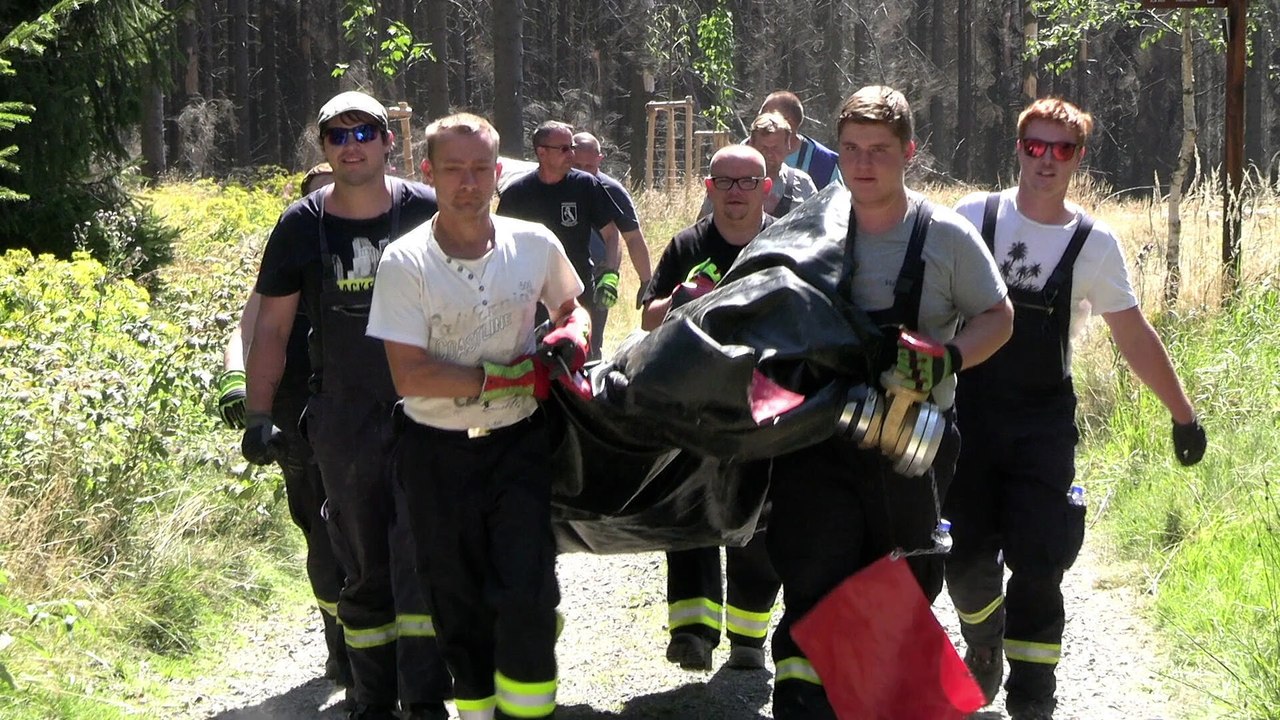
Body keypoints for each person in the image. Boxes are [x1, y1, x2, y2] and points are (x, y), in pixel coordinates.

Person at [944, 97, 1208, 720]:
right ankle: (983, 642)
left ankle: (1034, 697)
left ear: (1077, 158)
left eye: (1061, 149)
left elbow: (1135, 334)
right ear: (1018, 149)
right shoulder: (968, 219)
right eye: (1035, 145)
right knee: (964, 554)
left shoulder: (1093, 244)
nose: (1046, 159)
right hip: (969, 416)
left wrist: (1183, 413)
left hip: (1042, 423)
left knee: (1040, 562)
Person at [764, 85, 1013, 720]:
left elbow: (998, 316)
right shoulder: (811, 228)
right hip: (819, 438)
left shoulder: (946, 236)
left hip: (914, 444)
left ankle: (877, 701)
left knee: (901, 580)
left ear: (909, 151)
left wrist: (948, 358)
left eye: (879, 149)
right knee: (815, 571)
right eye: (850, 148)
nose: (863, 163)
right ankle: (802, 700)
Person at [368, 112, 587, 720]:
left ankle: (528, 713)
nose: (469, 183)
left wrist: (573, 336)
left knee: (528, 593)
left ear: (499, 171)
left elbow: (572, 305)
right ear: (427, 172)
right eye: (454, 170)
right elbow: (409, 374)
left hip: (518, 443)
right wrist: (506, 376)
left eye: (481, 169)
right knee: (456, 598)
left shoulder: (534, 243)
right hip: (435, 450)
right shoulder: (404, 263)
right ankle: (477, 710)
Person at [241, 90, 451, 720]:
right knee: (360, 561)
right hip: (343, 415)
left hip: (429, 407)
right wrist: (258, 413)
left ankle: (424, 696)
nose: (352, 146)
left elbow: (476, 296)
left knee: (423, 553)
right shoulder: (301, 226)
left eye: (365, 134)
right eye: (338, 135)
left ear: (390, 142)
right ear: (324, 148)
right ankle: (371, 695)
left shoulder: (429, 209)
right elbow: (272, 329)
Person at [640, 144, 782, 672]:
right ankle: (692, 632)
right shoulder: (687, 245)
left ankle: (749, 636)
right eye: (725, 183)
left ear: (767, 188)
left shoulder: (788, 240)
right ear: (708, 188)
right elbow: (648, 320)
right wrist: (683, 297)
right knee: (690, 508)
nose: (736, 194)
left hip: (763, 401)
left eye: (748, 183)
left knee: (758, 511)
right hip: (694, 402)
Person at [214, 162, 353, 690]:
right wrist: (236, 382)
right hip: (296, 408)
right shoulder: (293, 245)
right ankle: (338, 640)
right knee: (317, 524)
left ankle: (375, 646)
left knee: (359, 521)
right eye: (318, 195)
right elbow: (247, 323)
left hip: (355, 404)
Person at [495, 121, 629, 360]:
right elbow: (499, 248)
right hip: (531, 299)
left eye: (572, 147)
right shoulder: (517, 195)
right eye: (564, 149)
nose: (572, 154)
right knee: (535, 364)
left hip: (579, 293)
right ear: (542, 152)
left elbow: (611, 234)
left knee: (583, 362)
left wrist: (610, 274)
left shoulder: (586, 185)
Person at [570, 131, 653, 353]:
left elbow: (633, 237)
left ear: (600, 159)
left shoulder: (612, 190)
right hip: (558, 277)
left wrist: (647, 283)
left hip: (597, 279)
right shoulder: (554, 186)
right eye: (576, 164)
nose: (582, 171)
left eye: (588, 166)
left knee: (590, 344)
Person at [699, 112, 816, 220]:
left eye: (775, 148)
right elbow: (703, 227)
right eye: (763, 148)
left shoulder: (802, 184)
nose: (769, 154)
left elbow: (817, 227)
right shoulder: (727, 183)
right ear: (751, 145)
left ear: (788, 146)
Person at [759, 90, 841, 189]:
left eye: (767, 115)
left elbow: (836, 201)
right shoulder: (746, 149)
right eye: (760, 114)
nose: (760, 120)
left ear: (789, 122)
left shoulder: (823, 162)